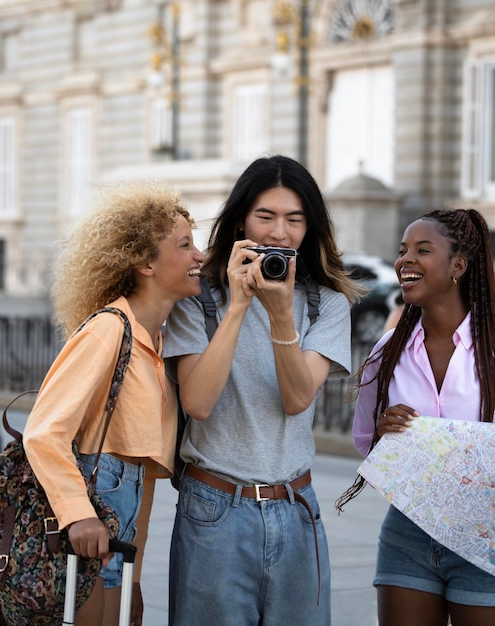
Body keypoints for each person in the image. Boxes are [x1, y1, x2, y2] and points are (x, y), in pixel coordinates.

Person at [162, 154, 363, 626]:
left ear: (309, 227)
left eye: (294, 219)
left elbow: (297, 399)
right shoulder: (200, 298)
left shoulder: (327, 304)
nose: (279, 233)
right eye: (266, 216)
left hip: (297, 511)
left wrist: (279, 314)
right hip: (214, 510)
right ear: (240, 222)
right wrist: (236, 306)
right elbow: (198, 402)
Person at [23, 179, 205, 626]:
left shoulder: (154, 340)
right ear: (145, 261)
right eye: (184, 245)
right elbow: (44, 432)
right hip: (87, 529)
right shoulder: (109, 329)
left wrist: (135, 578)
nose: (199, 256)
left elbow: (138, 471)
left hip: (118, 532)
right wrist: (78, 516)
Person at [337, 209, 495, 626]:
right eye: (403, 250)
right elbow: (365, 439)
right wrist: (386, 433)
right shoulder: (389, 349)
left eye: (423, 250)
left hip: (486, 535)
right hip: (408, 532)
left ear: (458, 265)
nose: (405, 260)